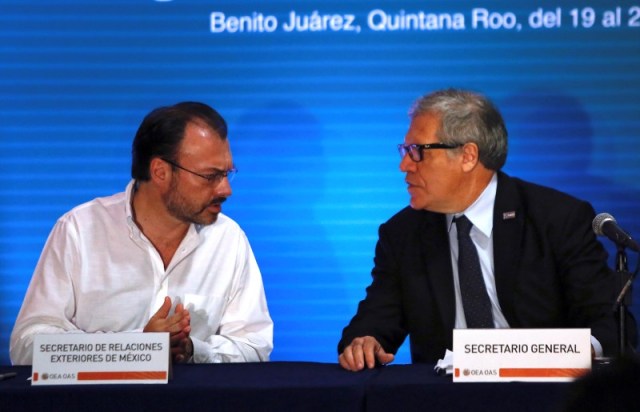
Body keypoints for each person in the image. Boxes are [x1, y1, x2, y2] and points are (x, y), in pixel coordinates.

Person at [338, 88, 633, 371]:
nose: (405, 165)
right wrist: (365, 341)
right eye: (405, 150)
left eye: (417, 151)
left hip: (544, 393)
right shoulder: (402, 234)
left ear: (468, 156)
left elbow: (609, 325)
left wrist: (563, 357)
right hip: (445, 398)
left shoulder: (556, 219)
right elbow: (376, 320)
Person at [10, 102, 273, 365]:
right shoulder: (79, 230)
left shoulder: (228, 239)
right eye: (210, 176)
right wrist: (137, 347)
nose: (225, 190)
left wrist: (192, 350)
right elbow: (27, 344)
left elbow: (254, 346)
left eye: (227, 174)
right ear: (160, 172)